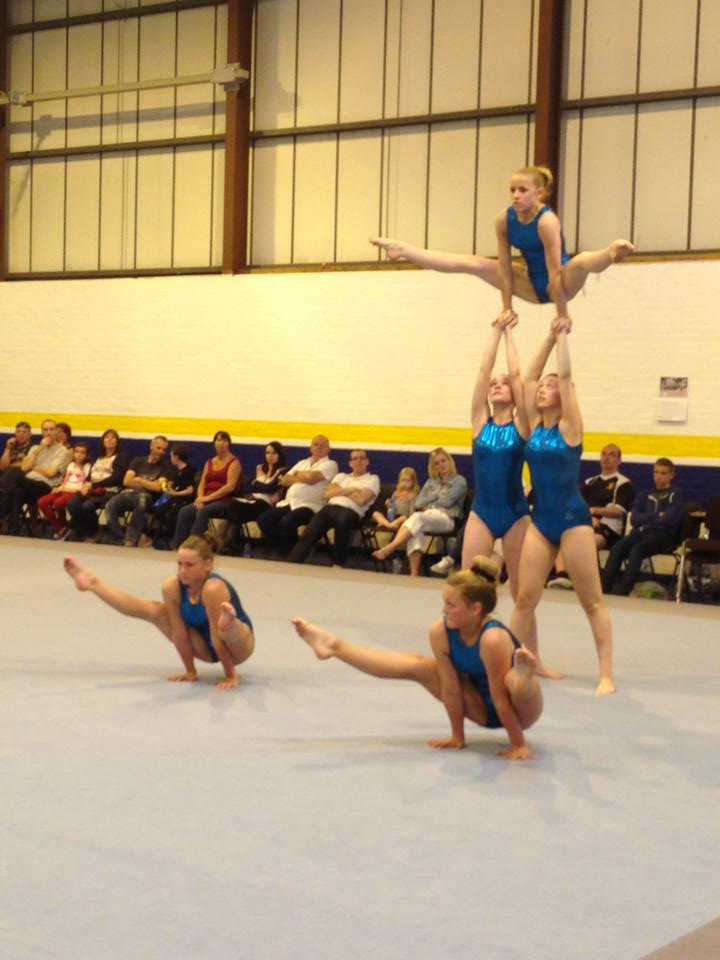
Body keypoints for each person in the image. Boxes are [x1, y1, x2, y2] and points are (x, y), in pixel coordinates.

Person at [292, 556, 542, 759]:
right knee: (417, 664)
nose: (444, 610)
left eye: (451, 605)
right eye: (444, 602)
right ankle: (335, 646)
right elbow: (450, 688)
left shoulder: (492, 638)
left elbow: (500, 697)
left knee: (513, 682)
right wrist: (457, 736)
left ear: (475, 609)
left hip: (521, 709)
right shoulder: (440, 631)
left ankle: (522, 675)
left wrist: (518, 744)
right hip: (483, 708)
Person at [371, 165, 633, 328]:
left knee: (582, 261)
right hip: (529, 283)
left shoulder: (547, 222)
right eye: (512, 190)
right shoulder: (504, 219)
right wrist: (507, 308)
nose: (516, 195)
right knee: (473, 262)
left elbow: (555, 273)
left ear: (539, 193)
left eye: (523, 190)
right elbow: (504, 269)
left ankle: (610, 252)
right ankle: (403, 250)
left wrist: (562, 314)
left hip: (562, 285)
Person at [509, 323, 615, 695]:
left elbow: (566, 378)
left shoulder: (571, 428)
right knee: (525, 597)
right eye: (543, 386)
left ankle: (606, 674)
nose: (542, 388)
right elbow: (526, 379)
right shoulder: (534, 426)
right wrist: (548, 337)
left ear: (564, 395)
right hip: (541, 522)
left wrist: (565, 339)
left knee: (591, 601)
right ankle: (508, 665)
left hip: (573, 521)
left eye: (549, 386)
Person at [63, 535, 255, 688]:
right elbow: (179, 632)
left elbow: (216, 637)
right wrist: (190, 671)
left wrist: (230, 676)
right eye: (180, 564)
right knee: (155, 610)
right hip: (205, 647)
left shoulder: (213, 588)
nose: (182, 570)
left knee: (225, 628)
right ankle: (93, 583)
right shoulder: (172, 586)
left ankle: (229, 621)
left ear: (207, 565)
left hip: (238, 646)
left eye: (189, 565)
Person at [548, 443, 635, 589]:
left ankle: (589, 582)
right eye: (604, 454)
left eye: (612, 455)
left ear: (619, 460)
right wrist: (588, 517)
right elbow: (576, 506)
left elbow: (618, 511)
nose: (606, 458)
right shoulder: (589, 482)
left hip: (608, 529)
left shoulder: (623, 483)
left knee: (587, 541)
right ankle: (562, 576)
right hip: (586, 523)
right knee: (562, 536)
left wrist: (594, 511)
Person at [372, 447, 467, 576]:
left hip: (447, 519)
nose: (441, 465)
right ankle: (414, 573)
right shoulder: (431, 482)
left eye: (443, 461)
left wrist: (430, 504)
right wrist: (436, 498)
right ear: (433, 467)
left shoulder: (459, 481)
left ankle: (390, 547)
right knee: (416, 528)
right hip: (427, 516)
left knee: (417, 518)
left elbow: (447, 502)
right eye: (437, 463)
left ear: (449, 461)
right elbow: (418, 502)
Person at [601, 458, 684, 597]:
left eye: (663, 473)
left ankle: (623, 592)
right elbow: (634, 519)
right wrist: (657, 515)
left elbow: (671, 519)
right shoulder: (645, 494)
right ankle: (604, 589)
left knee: (636, 550)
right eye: (656, 472)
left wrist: (647, 517)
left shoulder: (676, 495)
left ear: (671, 475)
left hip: (664, 536)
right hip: (641, 532)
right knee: (617, 548)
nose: (658, 476)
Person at [287, 450, 380, 566]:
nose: (358, 461)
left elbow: (361, 500)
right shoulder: (341, 476)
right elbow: (327, 495)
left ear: (367, 461)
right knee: (310, 532)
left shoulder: (372, 479)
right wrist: (350, 490)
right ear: (350, 463)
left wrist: (339, 491)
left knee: (342, 521)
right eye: (355, 458)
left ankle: (338, 564)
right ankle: (293, 562)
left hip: (352, 512)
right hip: (330, 508)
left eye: (361, 458)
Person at [257, 435, 338, 556]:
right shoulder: (302, 463)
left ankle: (293, 554)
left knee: (287, 521)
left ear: (329, 449)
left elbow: (312, 478)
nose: (318, 447)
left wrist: (296, 474)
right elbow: (284, 480)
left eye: (322, 445)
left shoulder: (331, 464)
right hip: (290, 503)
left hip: (310, 506)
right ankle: (288, 552)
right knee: (264, 519)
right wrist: (304, 478)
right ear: (311, 448)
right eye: (316, 444)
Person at [0, 419, 72, 535]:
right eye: (45, 430)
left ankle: (1, 514)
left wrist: (33, 467)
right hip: (28, 484)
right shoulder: (35, 448)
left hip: (46, 486)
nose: (48, 432)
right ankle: (13, 530)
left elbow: (51, 473)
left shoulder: (62, 451)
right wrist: (40, 448)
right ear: (42, 432)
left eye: (51, 429)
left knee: (13, 473)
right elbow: (24, 468)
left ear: (56, 432)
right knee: (18, 492)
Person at [171, 431, 240, 549]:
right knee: (185, 511)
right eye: (218, 440)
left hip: (224, 500)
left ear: (229, 444)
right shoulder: (209, 462)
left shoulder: (234, 462)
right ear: (214, 443)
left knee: (203, 511)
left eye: (224, 440)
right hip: (206, 498)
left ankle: (194, 546)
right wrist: (200, 498)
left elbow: (229, 487)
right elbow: (202, 484)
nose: (221, 443)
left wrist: (207, 498)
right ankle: (177, 545)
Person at [104, 435, 174, 546]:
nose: (161, 452)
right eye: (158, 448)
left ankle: (131, 538)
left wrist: (139, 479)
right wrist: (148, 483)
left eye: (164, 450)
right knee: (109, 505)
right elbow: (126, 481)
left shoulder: (166, 467)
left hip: (147, 497)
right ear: (151, 447)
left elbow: (157, 487)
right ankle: (118, 537)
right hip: (128, 494)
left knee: (142, 499)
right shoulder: (137, 461)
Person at [65, 429, 129, 542]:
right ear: (103, 441)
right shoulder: (99, 457)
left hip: (109, 490)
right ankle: (81, 530)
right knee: (72, 503)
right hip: (93, 489)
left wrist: (94, 485)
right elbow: (90, 475)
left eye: (113, 437)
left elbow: (117, 478)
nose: (109, 440)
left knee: (87, 505)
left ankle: (93, 532)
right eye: (107, 437)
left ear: (117, 442)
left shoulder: (121, 456)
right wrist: (85, 485)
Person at [222, 441, 287, 552]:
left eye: (274, 453)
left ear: (279, 455)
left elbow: (271, 488)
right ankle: (231, 543)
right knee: (233, 506)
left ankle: (230, 543)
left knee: (237, 510)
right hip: (252, 500)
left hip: (267, 504)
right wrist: (258, 487)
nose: (270, 456)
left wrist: (256, 485)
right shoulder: (259, 468)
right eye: (267, 453)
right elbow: (246, 488)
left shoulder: (283, 471)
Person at [36, 442, 91, 538]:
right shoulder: (71, 465)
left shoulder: (87, 466)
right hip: (64, 489)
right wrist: (58, 488)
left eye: (82, 453)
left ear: (87, 455)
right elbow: (65, 481)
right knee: (41, 502)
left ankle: (64, 526)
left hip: (74, 491)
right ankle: (60, 528)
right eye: (77, 452)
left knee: (58, 503)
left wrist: (64, 489)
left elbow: (82, 487)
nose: (79, 455)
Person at [146, 443, 196, 548]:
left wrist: (174, 493)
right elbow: (175, 485)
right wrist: (168, 486)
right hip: (175, 498)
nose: (171, 459)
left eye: (171, 456)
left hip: (184, 500)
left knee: (171, 514)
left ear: (176, 457)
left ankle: (172, 538)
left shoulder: (188, 471)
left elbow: (190, 490)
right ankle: (155, 536)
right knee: (158, 509)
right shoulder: (177, 471)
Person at [371, 467, 420, 532]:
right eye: (403, 480)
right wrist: (389, 505)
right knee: (375, 514)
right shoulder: (396, 493)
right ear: (399, 481)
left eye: (408, 481)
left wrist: (409, 520)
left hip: (403, 519)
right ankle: (389, 525)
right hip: (392, 517)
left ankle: (386, 524)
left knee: (403, 518)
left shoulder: (413, 495)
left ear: (413, 482)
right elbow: (391, 509)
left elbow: (412, 513)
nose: (405, 483)